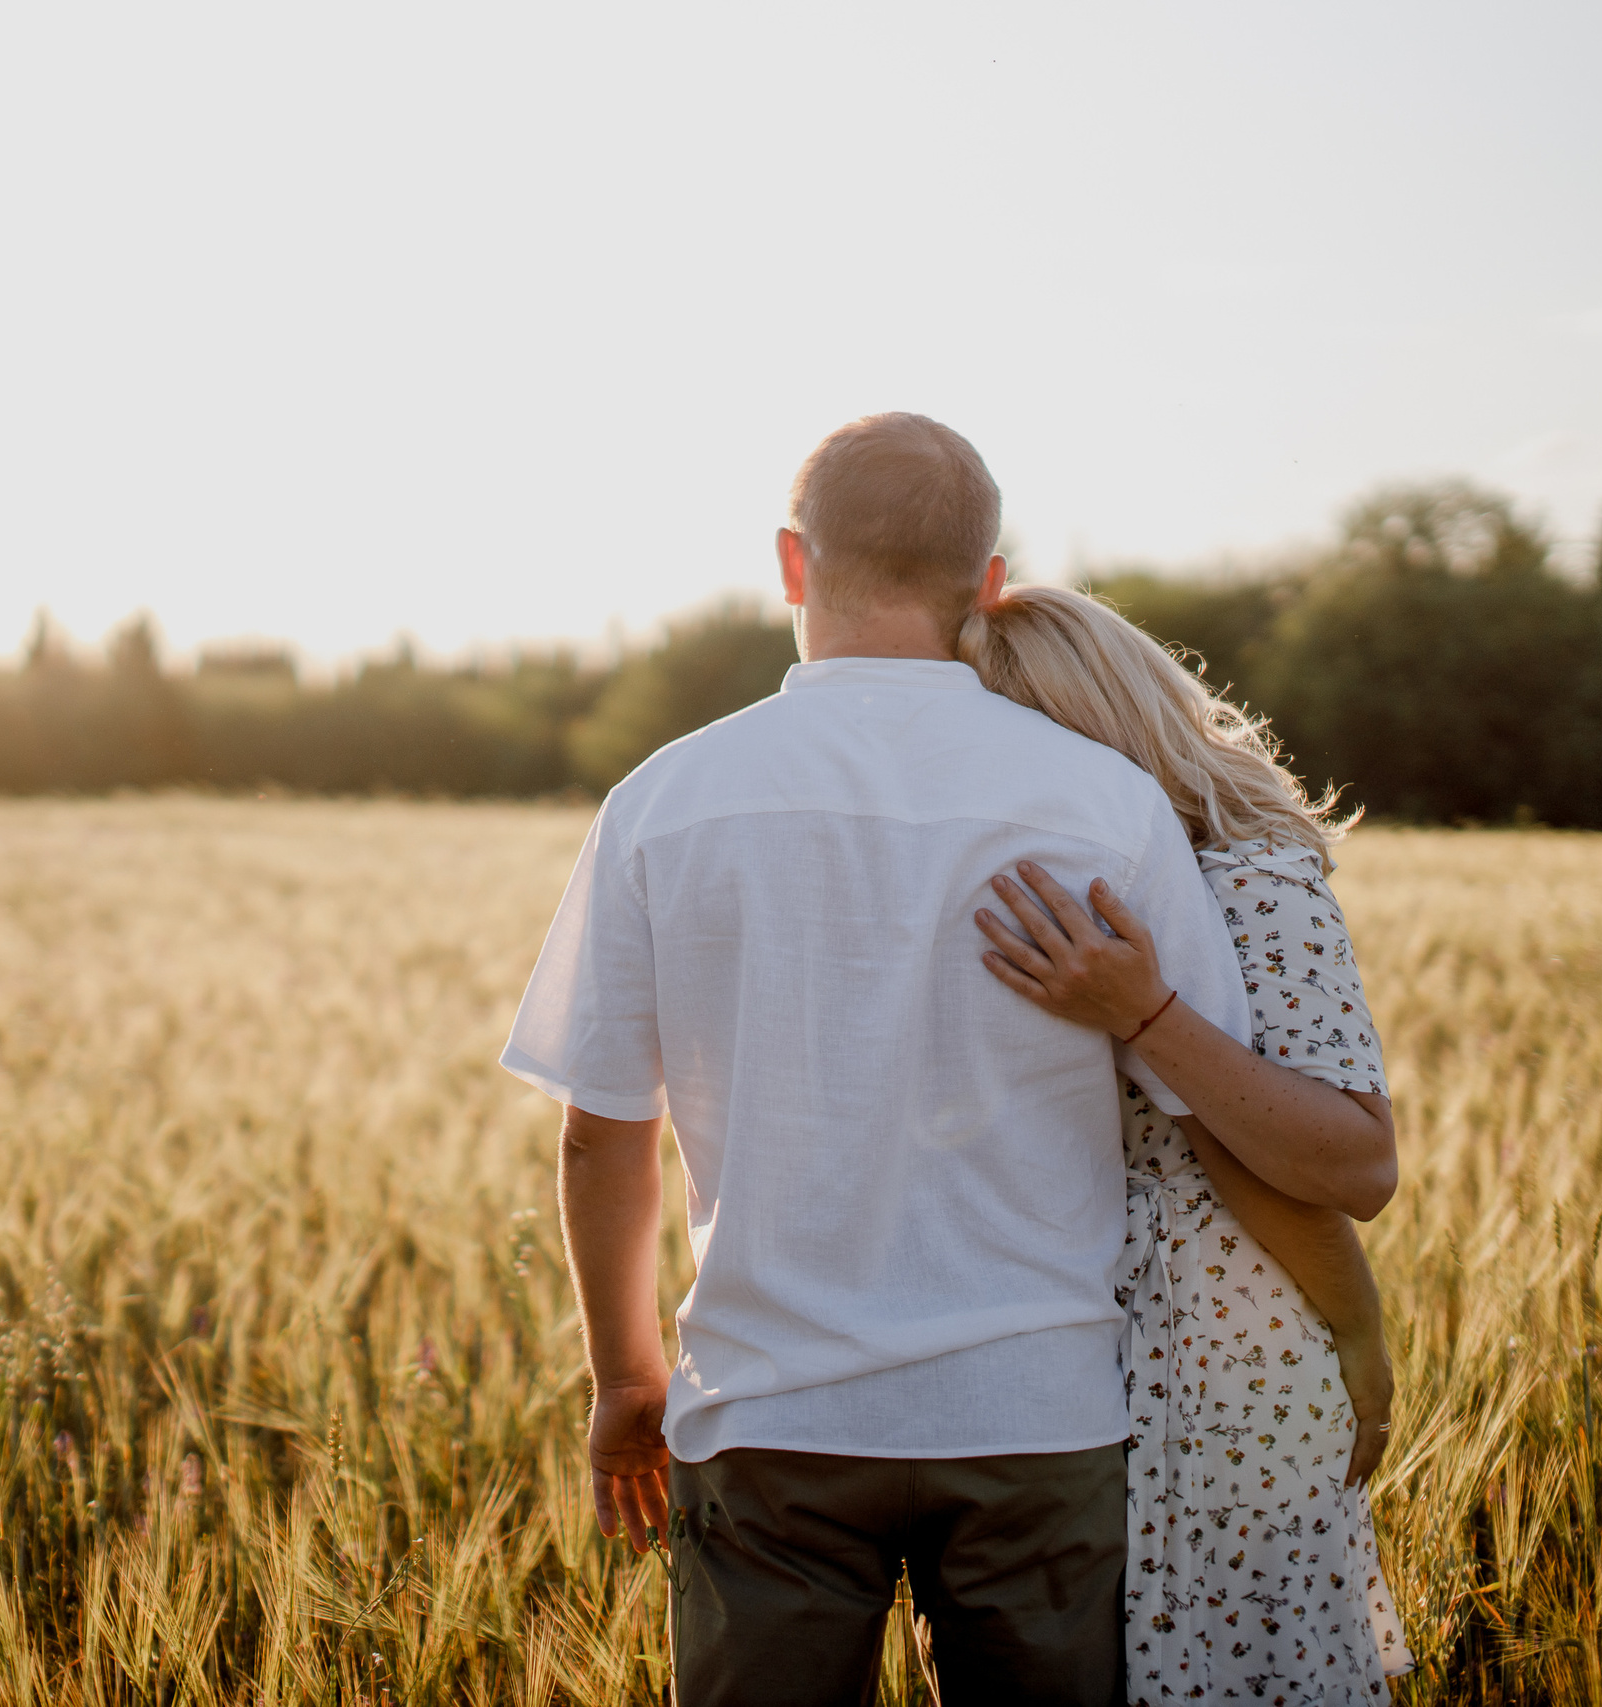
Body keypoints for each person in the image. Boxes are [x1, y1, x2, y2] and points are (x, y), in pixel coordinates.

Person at [501, 413, 1319, 1703]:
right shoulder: (1103, 801)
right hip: (1043, 1413)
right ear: (988, 583)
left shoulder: (665, 799)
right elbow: (1200, 1097)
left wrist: (623, 1379)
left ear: (790, 562)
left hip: (768, 1417)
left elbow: (603, 1132)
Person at [959, 584, 1413, 1702]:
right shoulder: (1015, 893)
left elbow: (1350, 1165)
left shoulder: (1250, 885)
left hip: (1218, 1378)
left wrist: (1148, 1016)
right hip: (1056, 1373)